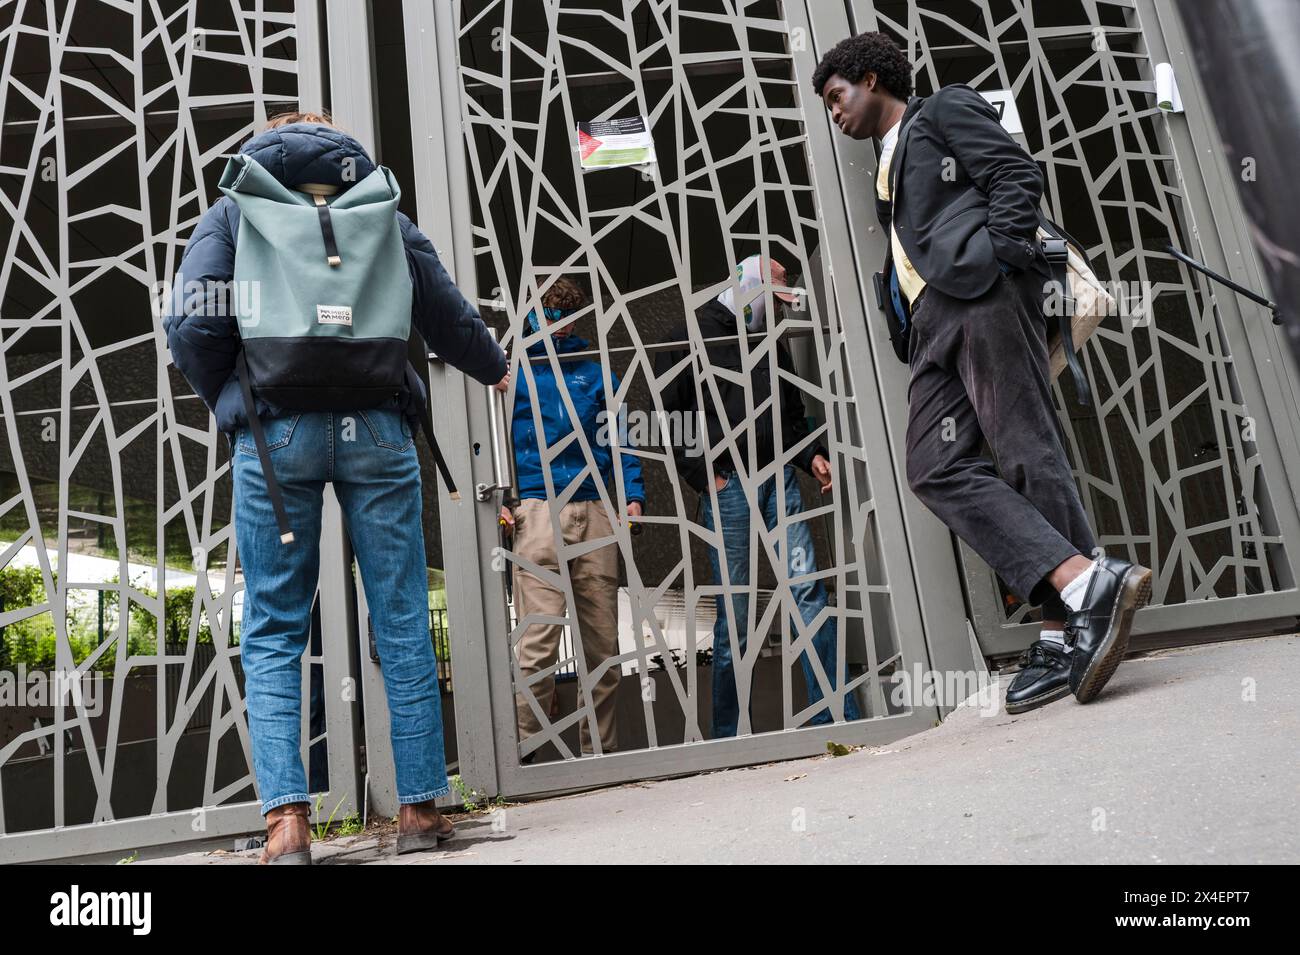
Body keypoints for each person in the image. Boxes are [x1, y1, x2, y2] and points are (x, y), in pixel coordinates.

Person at [165, 111, 508, 862]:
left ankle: (287, 825)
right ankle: (419, 809)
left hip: (275, 432)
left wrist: (237, 395)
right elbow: (444, 312)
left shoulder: (237, 206)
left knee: (276, 628)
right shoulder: (377, 203)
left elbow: (189, 321)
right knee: (401, 615)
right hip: (378, 427)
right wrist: (494, 364)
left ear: (269, 141)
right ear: (337, 145)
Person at [813, 33, 1152, 713]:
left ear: (872, 78)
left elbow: (1016, 176)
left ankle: (1063, 630)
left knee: (1026, 447)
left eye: (836, 97)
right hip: (933, 325)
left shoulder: (940, 113)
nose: (834, 114)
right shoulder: (888, 167)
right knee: (932, 466)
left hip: (983, 298)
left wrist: (997, 258)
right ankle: (1085, 584)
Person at [655, 254, 862, 738]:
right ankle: (730, 736)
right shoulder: (689, 332)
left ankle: (837, 716)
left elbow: (788, 411)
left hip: (777, 479)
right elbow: (668, 413)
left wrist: (809, 453)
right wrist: (703, 477)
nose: (783, 304)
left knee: (806, 591)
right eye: (779, 292)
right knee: (738, 612)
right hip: (726, 484)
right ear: (752, 286)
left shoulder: (767, 335)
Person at [500, 276, 644, 758]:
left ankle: (598, 757)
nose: (558, 327)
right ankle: (526, 759)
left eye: (566, 316)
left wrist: (633, 494)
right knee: (537, 645)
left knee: (602, 647)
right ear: (531, 317)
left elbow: (619, 436)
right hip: (537, 511)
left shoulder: (596, 372)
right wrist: (502, 496)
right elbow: (486, 438)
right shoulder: (509, 370)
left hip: (596, 508)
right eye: (547, 315)